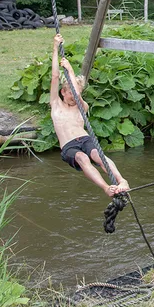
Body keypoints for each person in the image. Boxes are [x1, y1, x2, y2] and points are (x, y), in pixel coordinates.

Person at [50, 33, 129, 198]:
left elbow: (78, 94)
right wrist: (56, 48)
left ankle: (122, 181)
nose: (73, 96)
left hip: (85, 139)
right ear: (63, 92)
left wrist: (71, 69)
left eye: (76, 93)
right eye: (70, 92)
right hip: (69, 147)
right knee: (81, 158)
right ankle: (106, 187)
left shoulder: (81, 106)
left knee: (98, 156)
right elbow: (55, 77)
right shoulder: (56, 106)